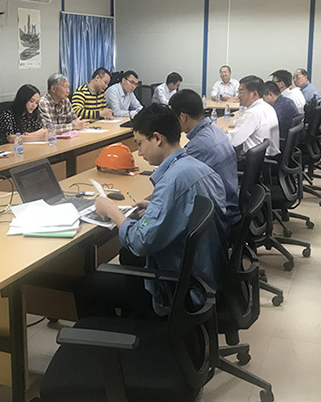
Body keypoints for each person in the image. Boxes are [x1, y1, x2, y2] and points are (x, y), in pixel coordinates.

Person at [79, 103, 230, 318]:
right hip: (207, 275)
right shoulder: (199, 168)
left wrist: (112, 211)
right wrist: (155, 207)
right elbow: (188, 210)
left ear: (157, 138)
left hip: (182, 288)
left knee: (88, 284)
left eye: (140, 143)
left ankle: (127, 334)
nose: (139, 152)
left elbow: (140, 242)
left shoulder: (172, 181)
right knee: (127, 256)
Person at [169, 89, 241, 226]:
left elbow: (174, 180)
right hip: (231, 201)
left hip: (219, 213)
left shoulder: (198, 146)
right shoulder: (217, 131)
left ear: (183, 117)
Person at [228, 75, 280, 157]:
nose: (238, 96)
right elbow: (239, 122)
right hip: (268, 156)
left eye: (241, 92)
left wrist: (220, 134)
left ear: (254, 94)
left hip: (258, 160)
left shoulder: (253, 113)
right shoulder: (267, 107)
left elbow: (234, 141)